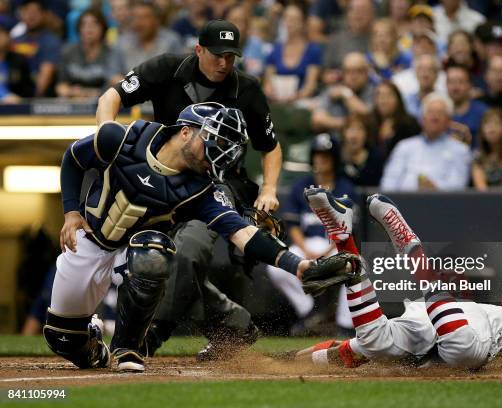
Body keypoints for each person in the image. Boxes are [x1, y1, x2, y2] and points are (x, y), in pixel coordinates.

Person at [46, 103, 334, 373]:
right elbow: (73, 158)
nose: (218, 151)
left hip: (132, 255)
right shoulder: (123, 137)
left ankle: (127, 347)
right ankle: (94, 346)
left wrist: (297, 265)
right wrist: (71, 212)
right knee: (62, 340)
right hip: (89, 240)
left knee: (153, 253)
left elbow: (242, 233)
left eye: (224, 145)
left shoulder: (203, 190)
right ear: (185, 131)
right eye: (213, 139)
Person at [96, 19, 283, 360]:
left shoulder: (247, 89)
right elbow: (112, 96)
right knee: (154, 260)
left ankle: (149, 336)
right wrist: (106, 137)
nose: (224, 63)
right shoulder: (167, 68)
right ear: (199, 50)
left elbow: (270, 145)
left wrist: (269, 189)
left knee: (188, 250)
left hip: (218, 183)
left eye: (231, 56)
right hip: (164, 180)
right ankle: (234, 324)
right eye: (217, 55)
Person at [282, 186, 502, 370]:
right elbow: (340, 351)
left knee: (382, 342)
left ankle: (346, 243)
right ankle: (408, 247)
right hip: (434, 334)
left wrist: (290, 360)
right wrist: (289, 360)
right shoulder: (429, 311)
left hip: (445, 335)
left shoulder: (496, 315)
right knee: (379, 343)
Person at [267, 133, 357, 336]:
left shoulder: (345, 188)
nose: (321, 160)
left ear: (334, 159)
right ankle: (310, 313)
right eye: (317, 155)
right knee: (275, 266)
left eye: (326, 155)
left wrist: (327, 252)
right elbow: (293, 225)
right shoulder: (301, 186)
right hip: (306, 245)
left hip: (335, 247)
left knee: (358, 266)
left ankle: (345, 324)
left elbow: (347, 229)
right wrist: (306, 250)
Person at [381, 93, 471, 192]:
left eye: (440, 113)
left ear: (448, 120)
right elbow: (388, 183)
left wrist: (435, 188)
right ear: (422, 118)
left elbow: (458, 186)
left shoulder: (460, 150)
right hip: (402, 204)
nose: (435, 117)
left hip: (442, 204)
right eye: (430, 112)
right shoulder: (404, 146)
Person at [55, 8, 124, 99]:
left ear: (103, 28)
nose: (89, 28)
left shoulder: (111, 53)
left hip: (104, 102)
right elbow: (60, 87)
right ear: (79, 29)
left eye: (94, 24)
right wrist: (72, 92)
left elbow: (118, 81)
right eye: (84, 24)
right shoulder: (68, 51)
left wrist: (94, 93)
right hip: (73, 102)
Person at [263, 4, 321, 103]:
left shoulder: (313, 50)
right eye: (286, 18)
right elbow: (268, 82)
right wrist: (270, 92)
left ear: (302, 23)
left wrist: (297, 97)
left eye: (294, 19)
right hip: (277, 100)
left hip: (301, 101)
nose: (289, 23)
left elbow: (310, 85)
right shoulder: (275, 49)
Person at [311, 52, 374, 134]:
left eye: (359, 71)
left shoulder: (374, 91)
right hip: (334, 142)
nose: (353, 76)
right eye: (349, 71)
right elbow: (317, 120)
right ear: (343, 73)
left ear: (366, 73)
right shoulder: (334, 90)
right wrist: (347, 124)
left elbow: (367, 117)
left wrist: (346, 94)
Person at [10, 0, 61, 96]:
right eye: (27, 12)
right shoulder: (15, 40)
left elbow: (46, 73)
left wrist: (33, 101)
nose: (31, 16)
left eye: (35, 12)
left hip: (38, 95)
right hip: (13, 92)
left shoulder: (51, 41)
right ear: (21, 14)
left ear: (44, 14)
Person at [115, 0, 182, 71]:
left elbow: (179, 71)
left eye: (145, 17)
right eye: (135, 17)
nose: (139, 23)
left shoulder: (171, 41)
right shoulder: (122, 42)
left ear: (156, 20)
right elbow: (113, 74)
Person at [369, 80, 420, 157]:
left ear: (398, 99)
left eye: (389, 96)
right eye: (379, 96)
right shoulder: (369, 123)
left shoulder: (410, 124)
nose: (384, 100)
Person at [446, 63, 488, 149]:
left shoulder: (483, 112)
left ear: (470, 85)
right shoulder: (438, 112)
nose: (455, 87)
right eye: (451, 82)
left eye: (460, 82)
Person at [341, 114, 384, 187]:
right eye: (350, 129)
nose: (354, 135)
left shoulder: (376, 157)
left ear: (367, 134)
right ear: (343, 133)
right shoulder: (337, 156)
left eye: (360, 129)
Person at [0, 19, 33, 102]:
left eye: (1, 33)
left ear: (8, 37)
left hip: (16, 107)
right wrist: (4, 95)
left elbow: (27, 88)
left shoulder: (18, 60)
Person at [404, 54, 441, 120]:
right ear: (416, 73)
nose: (425, 74)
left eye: (430, 70)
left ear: (437, 74)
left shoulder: (444, 101)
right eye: (421, 69)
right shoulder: (406, 101)